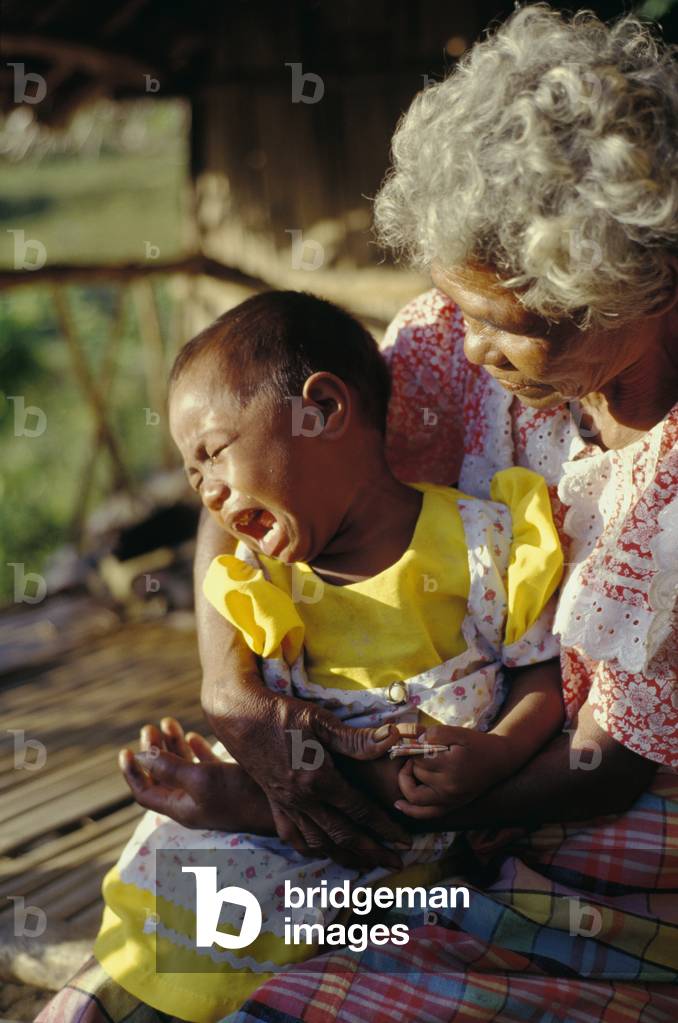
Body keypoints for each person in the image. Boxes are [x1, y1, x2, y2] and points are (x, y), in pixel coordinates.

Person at [38, 5, 677, 1022]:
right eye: (456, 308)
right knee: (182, 897)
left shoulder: (670, 494)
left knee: (313, 941)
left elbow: (600, 770)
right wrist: (234, 699)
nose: (463, 349)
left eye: (501, 325)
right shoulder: (443, 349)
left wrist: (331, 808)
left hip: (577, 803)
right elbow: (259, 474)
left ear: (622, 291)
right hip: (404, 752)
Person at [93, 289, 563, 1020]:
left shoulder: (483, 541)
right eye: (193, 477)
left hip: (414, 849)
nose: (210, 494)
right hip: (301, 834)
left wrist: (501, 750)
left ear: (323, 410)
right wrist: (224, 766)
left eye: (213, 453)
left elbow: (540, 672)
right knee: (172, 866)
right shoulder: (265, 579)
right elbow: (265, 719)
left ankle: (235, 822)